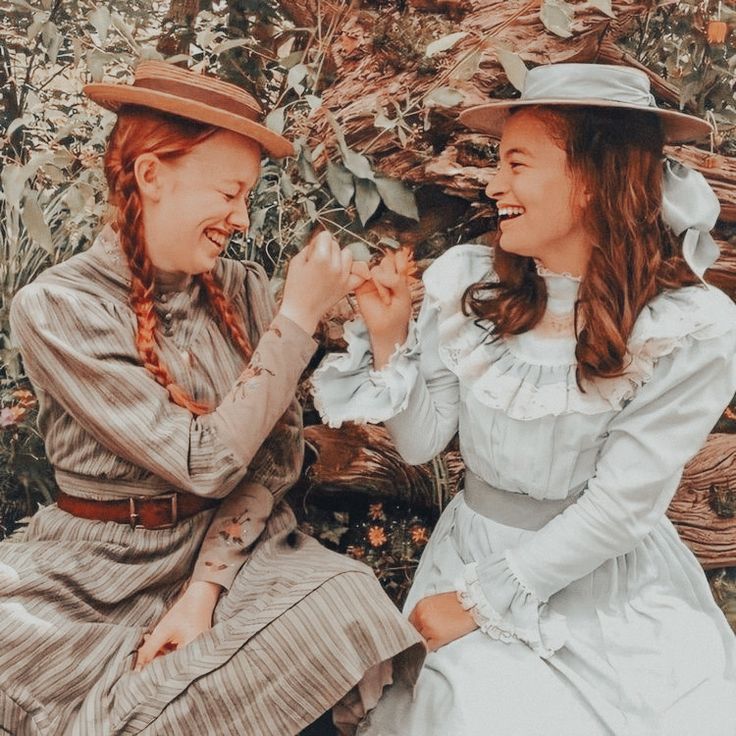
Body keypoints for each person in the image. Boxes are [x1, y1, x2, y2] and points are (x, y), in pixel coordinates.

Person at [0, 60, 423, 736]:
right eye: (229, 193)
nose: (242, 217)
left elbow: (273, 459)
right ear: (151, 174)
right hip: (91, 570)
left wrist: (203, 593)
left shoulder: (247, 288)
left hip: (232, 548)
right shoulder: (57, 306)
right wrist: (297, 320)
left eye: (249, 195)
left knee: (339, 604)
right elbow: (202, 460)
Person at [312, 63, 736, 735]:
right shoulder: (467, 285)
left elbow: (621, 508)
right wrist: (390, 340)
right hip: (472, 551)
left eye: (517, 162)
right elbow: (422, 443)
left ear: (595, 180)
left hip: (603, 580)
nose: (493, 182)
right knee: (472, 712)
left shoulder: (688, 327)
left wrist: (479, 604)